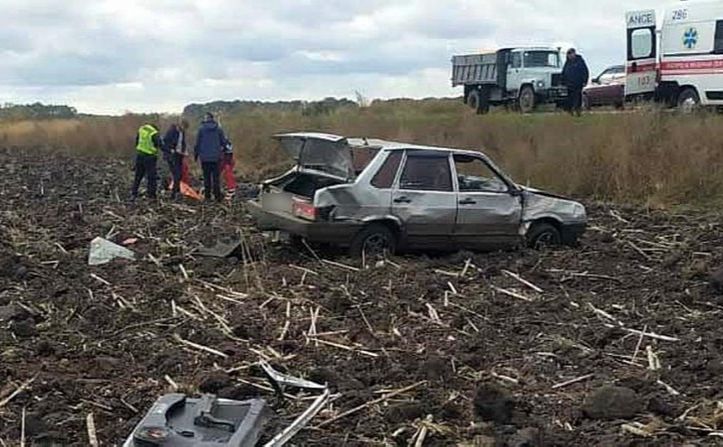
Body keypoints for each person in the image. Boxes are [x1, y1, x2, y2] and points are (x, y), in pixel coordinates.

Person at [194, 113, 226, 202]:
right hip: (216, 157)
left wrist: (196, 155)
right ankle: (217, 196)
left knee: (206, 177)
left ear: (206, 119)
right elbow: (224, 142)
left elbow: (197, 143)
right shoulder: (219, 129)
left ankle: (207, 196)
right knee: (216, 178)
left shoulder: (201, 129)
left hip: (204, 158)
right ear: (213, 119)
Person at [131, 122, 162, 200]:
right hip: (150, 157)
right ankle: (151, 195)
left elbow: (137, 141)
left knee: (138, 176)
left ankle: (134, 193)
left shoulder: (142, 129)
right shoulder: (154, 133)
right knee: (151, 177)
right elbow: (159, 144)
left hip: (140, 155)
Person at [163, 120, 190, 199]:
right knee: (176, 174)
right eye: (183, 127)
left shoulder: (182, 133)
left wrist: (184, 150)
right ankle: (174, 193)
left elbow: (182, 143)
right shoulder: (172, 131)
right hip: (171, 155)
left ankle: (177, 191)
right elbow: (165, 142)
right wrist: (170, 149)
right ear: (180, 125)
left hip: (179, 155)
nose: (184, 129)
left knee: (179, 174)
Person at [561, 48, 590, 116]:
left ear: (574, 54)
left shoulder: (580, 61)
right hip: (569, 83)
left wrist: (585, 81)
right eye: (568, 54)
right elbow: (564, 72)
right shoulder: (567, 63)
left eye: (571, 54)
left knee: (578, 97)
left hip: (578, 82)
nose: (570, 56)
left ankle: (578, 110)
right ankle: (570, 110)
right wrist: (563, 81)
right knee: (570, 97)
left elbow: (585, 71)